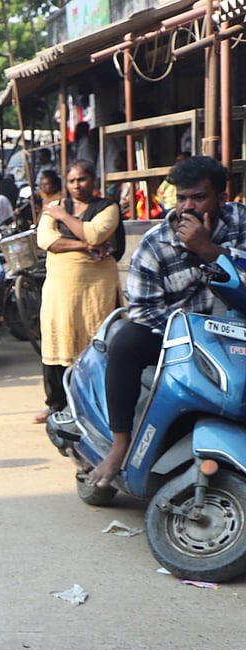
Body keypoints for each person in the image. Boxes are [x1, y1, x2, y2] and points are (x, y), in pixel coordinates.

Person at [88, 156, 246, 486]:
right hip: (176, 334)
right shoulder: (155, 243)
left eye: (199, 197)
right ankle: (120, 446)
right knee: (126, 342)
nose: (187, 207)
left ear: (221, 196)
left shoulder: (240, 222)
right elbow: (143, 309)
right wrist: (187, 337)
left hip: (235, 332)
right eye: (182, 197)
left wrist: (207, 249)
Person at [34, 160, 124, 423]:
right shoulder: (54, 207)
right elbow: (46, 240)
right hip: (59, 289)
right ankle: (56, 405)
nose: (76, 185)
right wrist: (85, 246)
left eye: (82, 179)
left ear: (93, 180)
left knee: (97, 341)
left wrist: (64, 218)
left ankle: (96, 405)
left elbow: (96, 233)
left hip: (96, 290)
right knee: (56, 339)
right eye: (72, 181)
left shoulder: (108, 207)